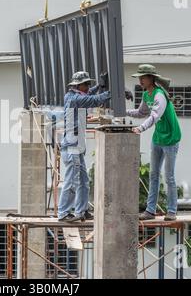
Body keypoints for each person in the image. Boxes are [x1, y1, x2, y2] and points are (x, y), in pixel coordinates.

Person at [58, 71, 133, 222]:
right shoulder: (75, 99)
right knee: (72, 181)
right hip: (72, 145)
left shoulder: (73, 96)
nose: (88, 87)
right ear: (78, 85)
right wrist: (116, 92)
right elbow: (94, 100)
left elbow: (90, 94)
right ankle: (64, 213)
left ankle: (82, 210)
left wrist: (100, 85)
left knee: (84, 181)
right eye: (86, 84)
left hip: (76, 145)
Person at [127, 64, 182, 221]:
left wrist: (141, 128)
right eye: (139, 77)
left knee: (169, 176)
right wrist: (122, 111)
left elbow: (154, 116)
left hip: (171, 138)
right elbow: (142, 112)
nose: (140, 80)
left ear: (151, 78)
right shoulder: (146, 95)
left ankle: (172, 211)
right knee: (153, 174)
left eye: (143, 77)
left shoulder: (159, 95)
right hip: (158, 138)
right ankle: (150, 211)